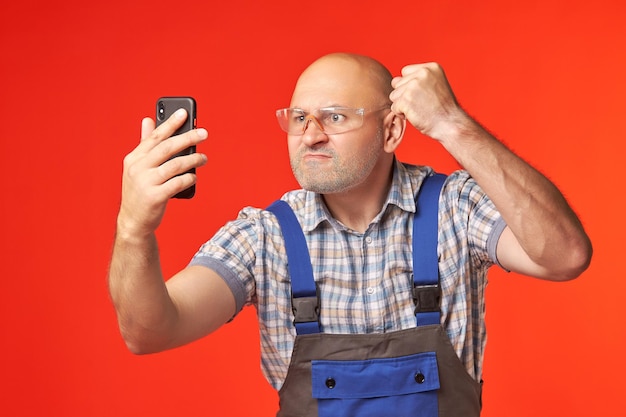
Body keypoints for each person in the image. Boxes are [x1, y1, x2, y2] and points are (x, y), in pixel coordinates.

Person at [108, 53, 592, 416]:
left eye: (334, 117)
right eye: (299, 118)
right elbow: (148, 332)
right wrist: (133, 228)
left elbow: (565, 256)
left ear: (391, 132)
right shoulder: (265, 236)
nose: (311, 134)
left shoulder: (455, 208)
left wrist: (453, 125)